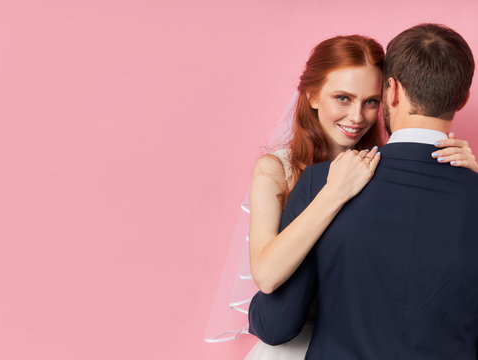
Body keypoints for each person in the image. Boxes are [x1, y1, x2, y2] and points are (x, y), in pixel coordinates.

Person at [205, 33, 478, 359]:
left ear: (389, 94)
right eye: (343, 98)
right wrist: (332, 193)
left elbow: (276, 319)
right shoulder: (285, 172)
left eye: (370, 101)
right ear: (312, 95)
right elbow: (266, 279)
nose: (357, 117)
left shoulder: (351, 174)